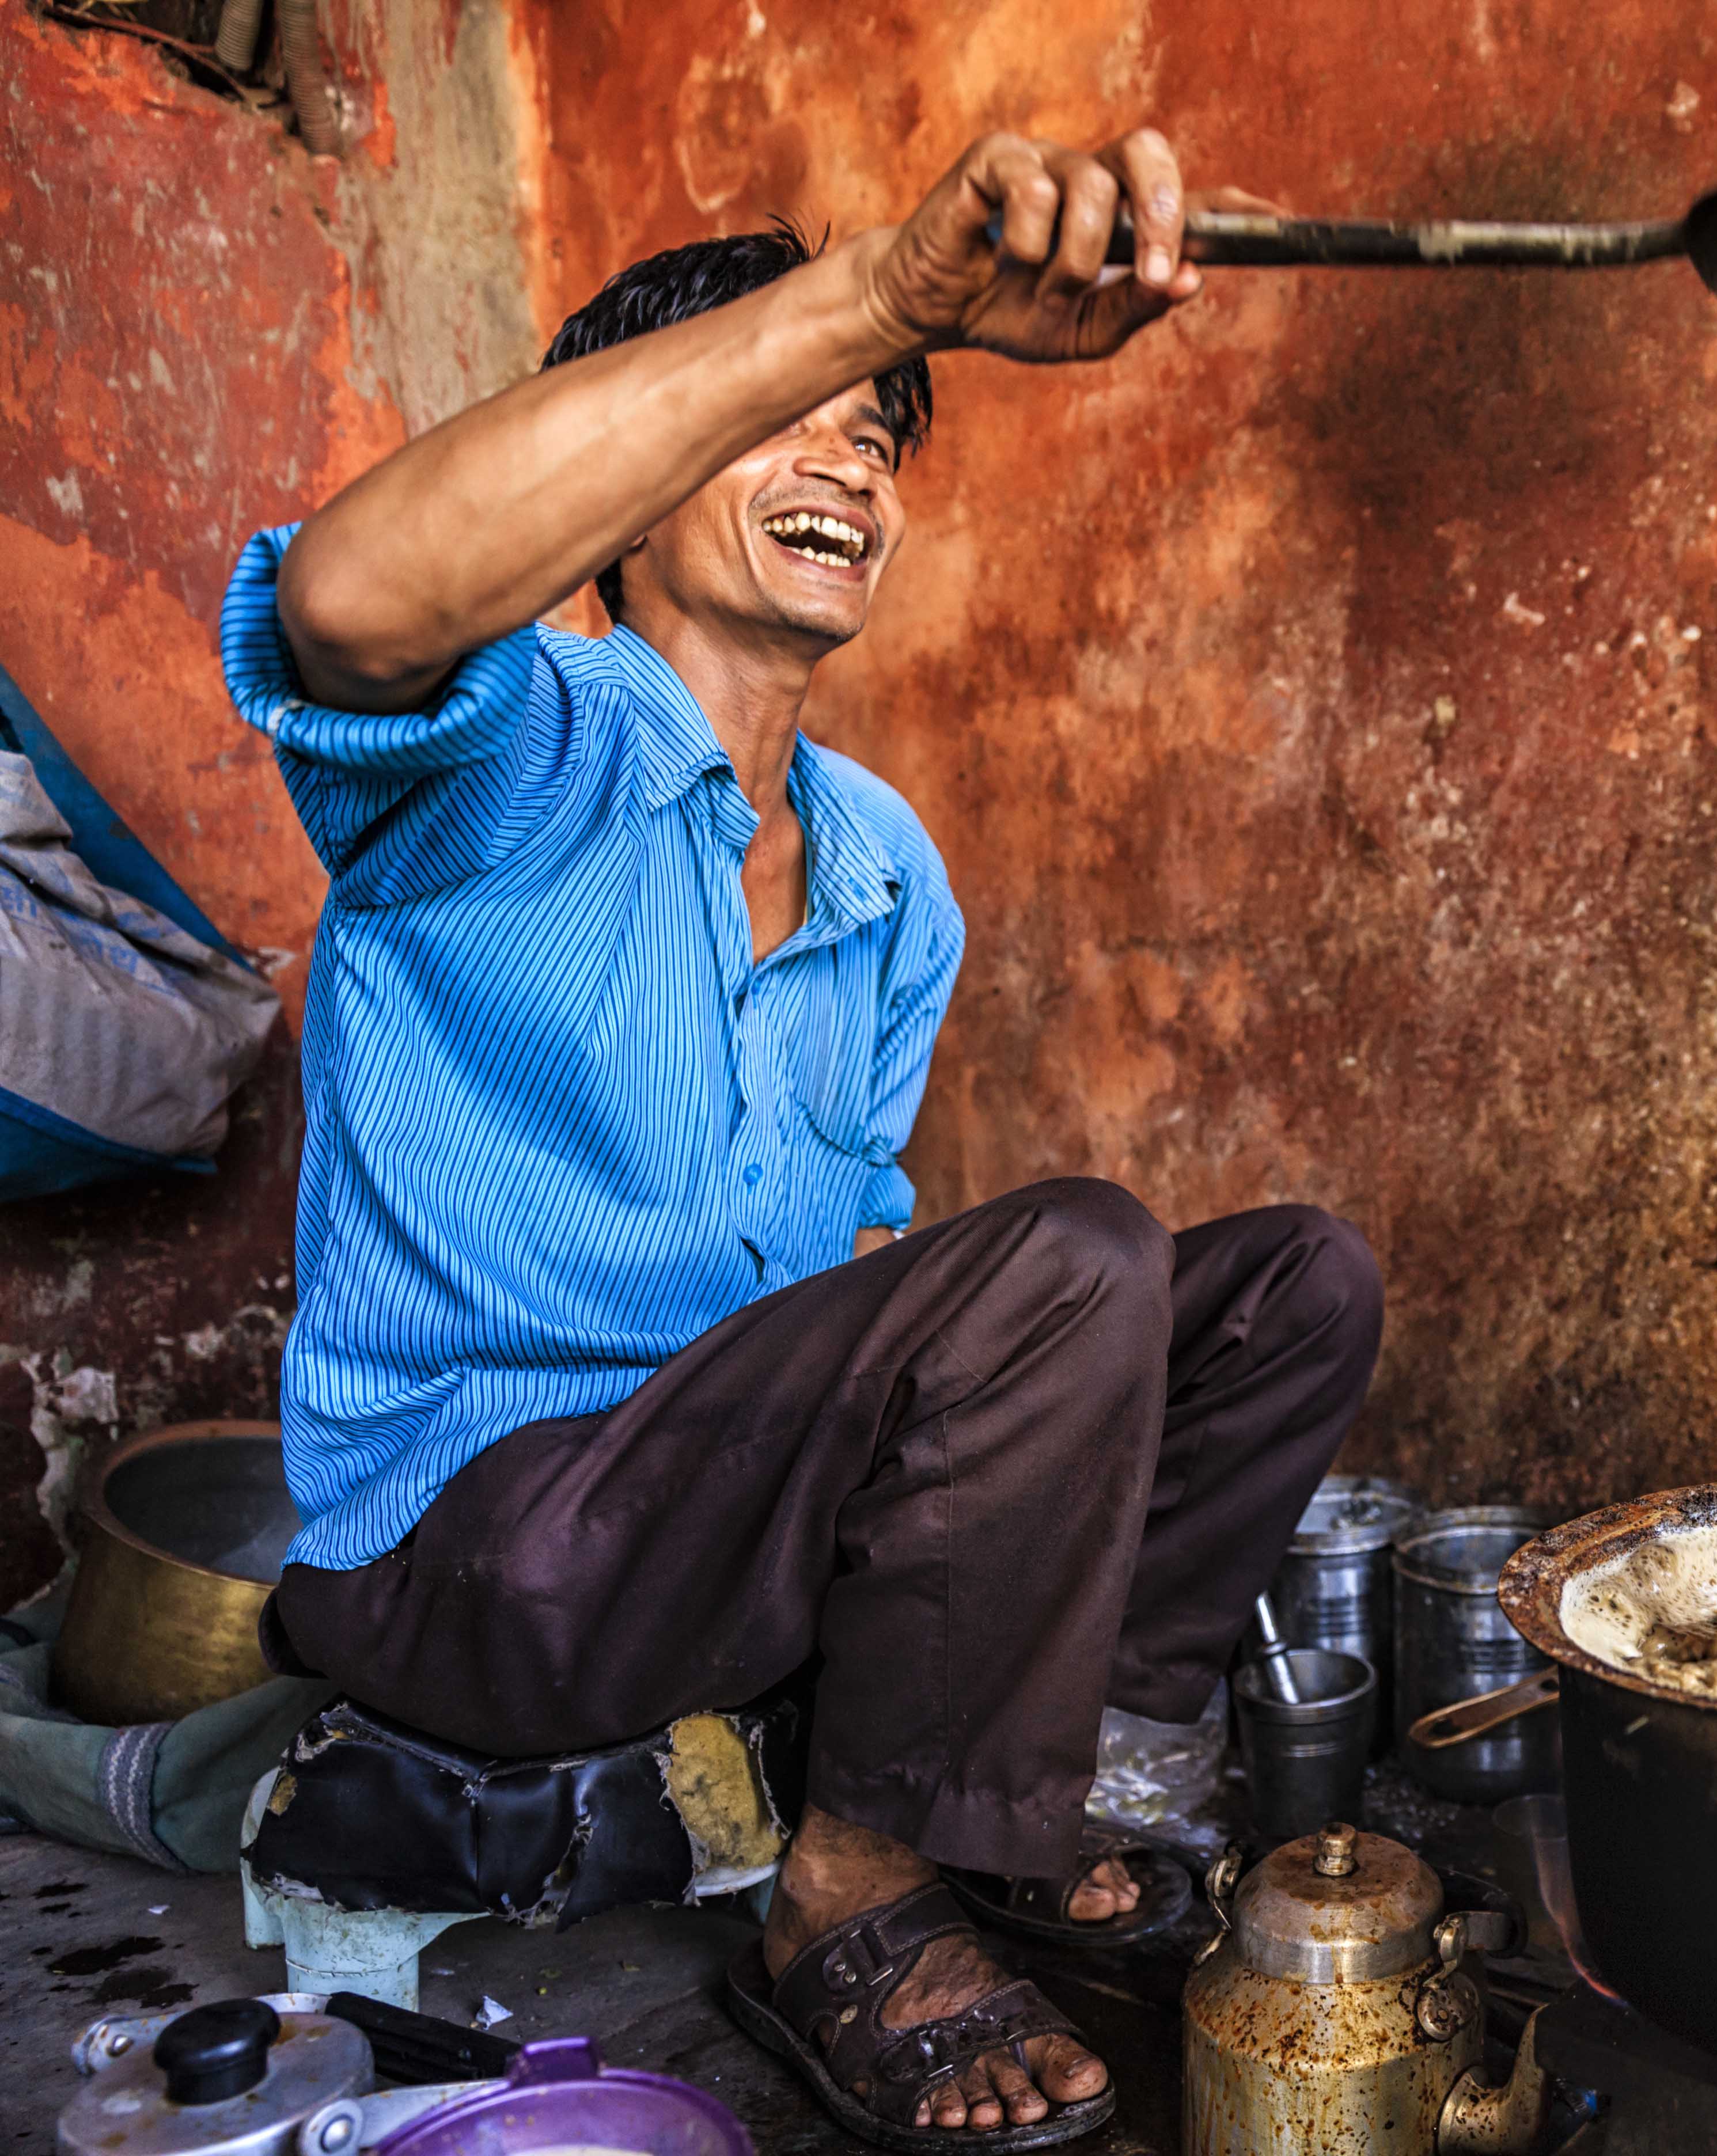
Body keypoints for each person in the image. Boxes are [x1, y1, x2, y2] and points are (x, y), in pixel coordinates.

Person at [221, 130, 1373, 2147]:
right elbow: (346, 591)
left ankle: (1015, 1795)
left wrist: (979, 1378)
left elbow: (849, 1265)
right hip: (484, 1550)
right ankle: (846, 1900)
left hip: (725, 1509)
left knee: (1287, 1289)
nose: (850, 463)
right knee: (1074, 1254)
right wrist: (871, 292)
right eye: (783, 422)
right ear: (632, 477)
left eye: (882, 435)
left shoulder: (882, 867)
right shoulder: (519, 741)